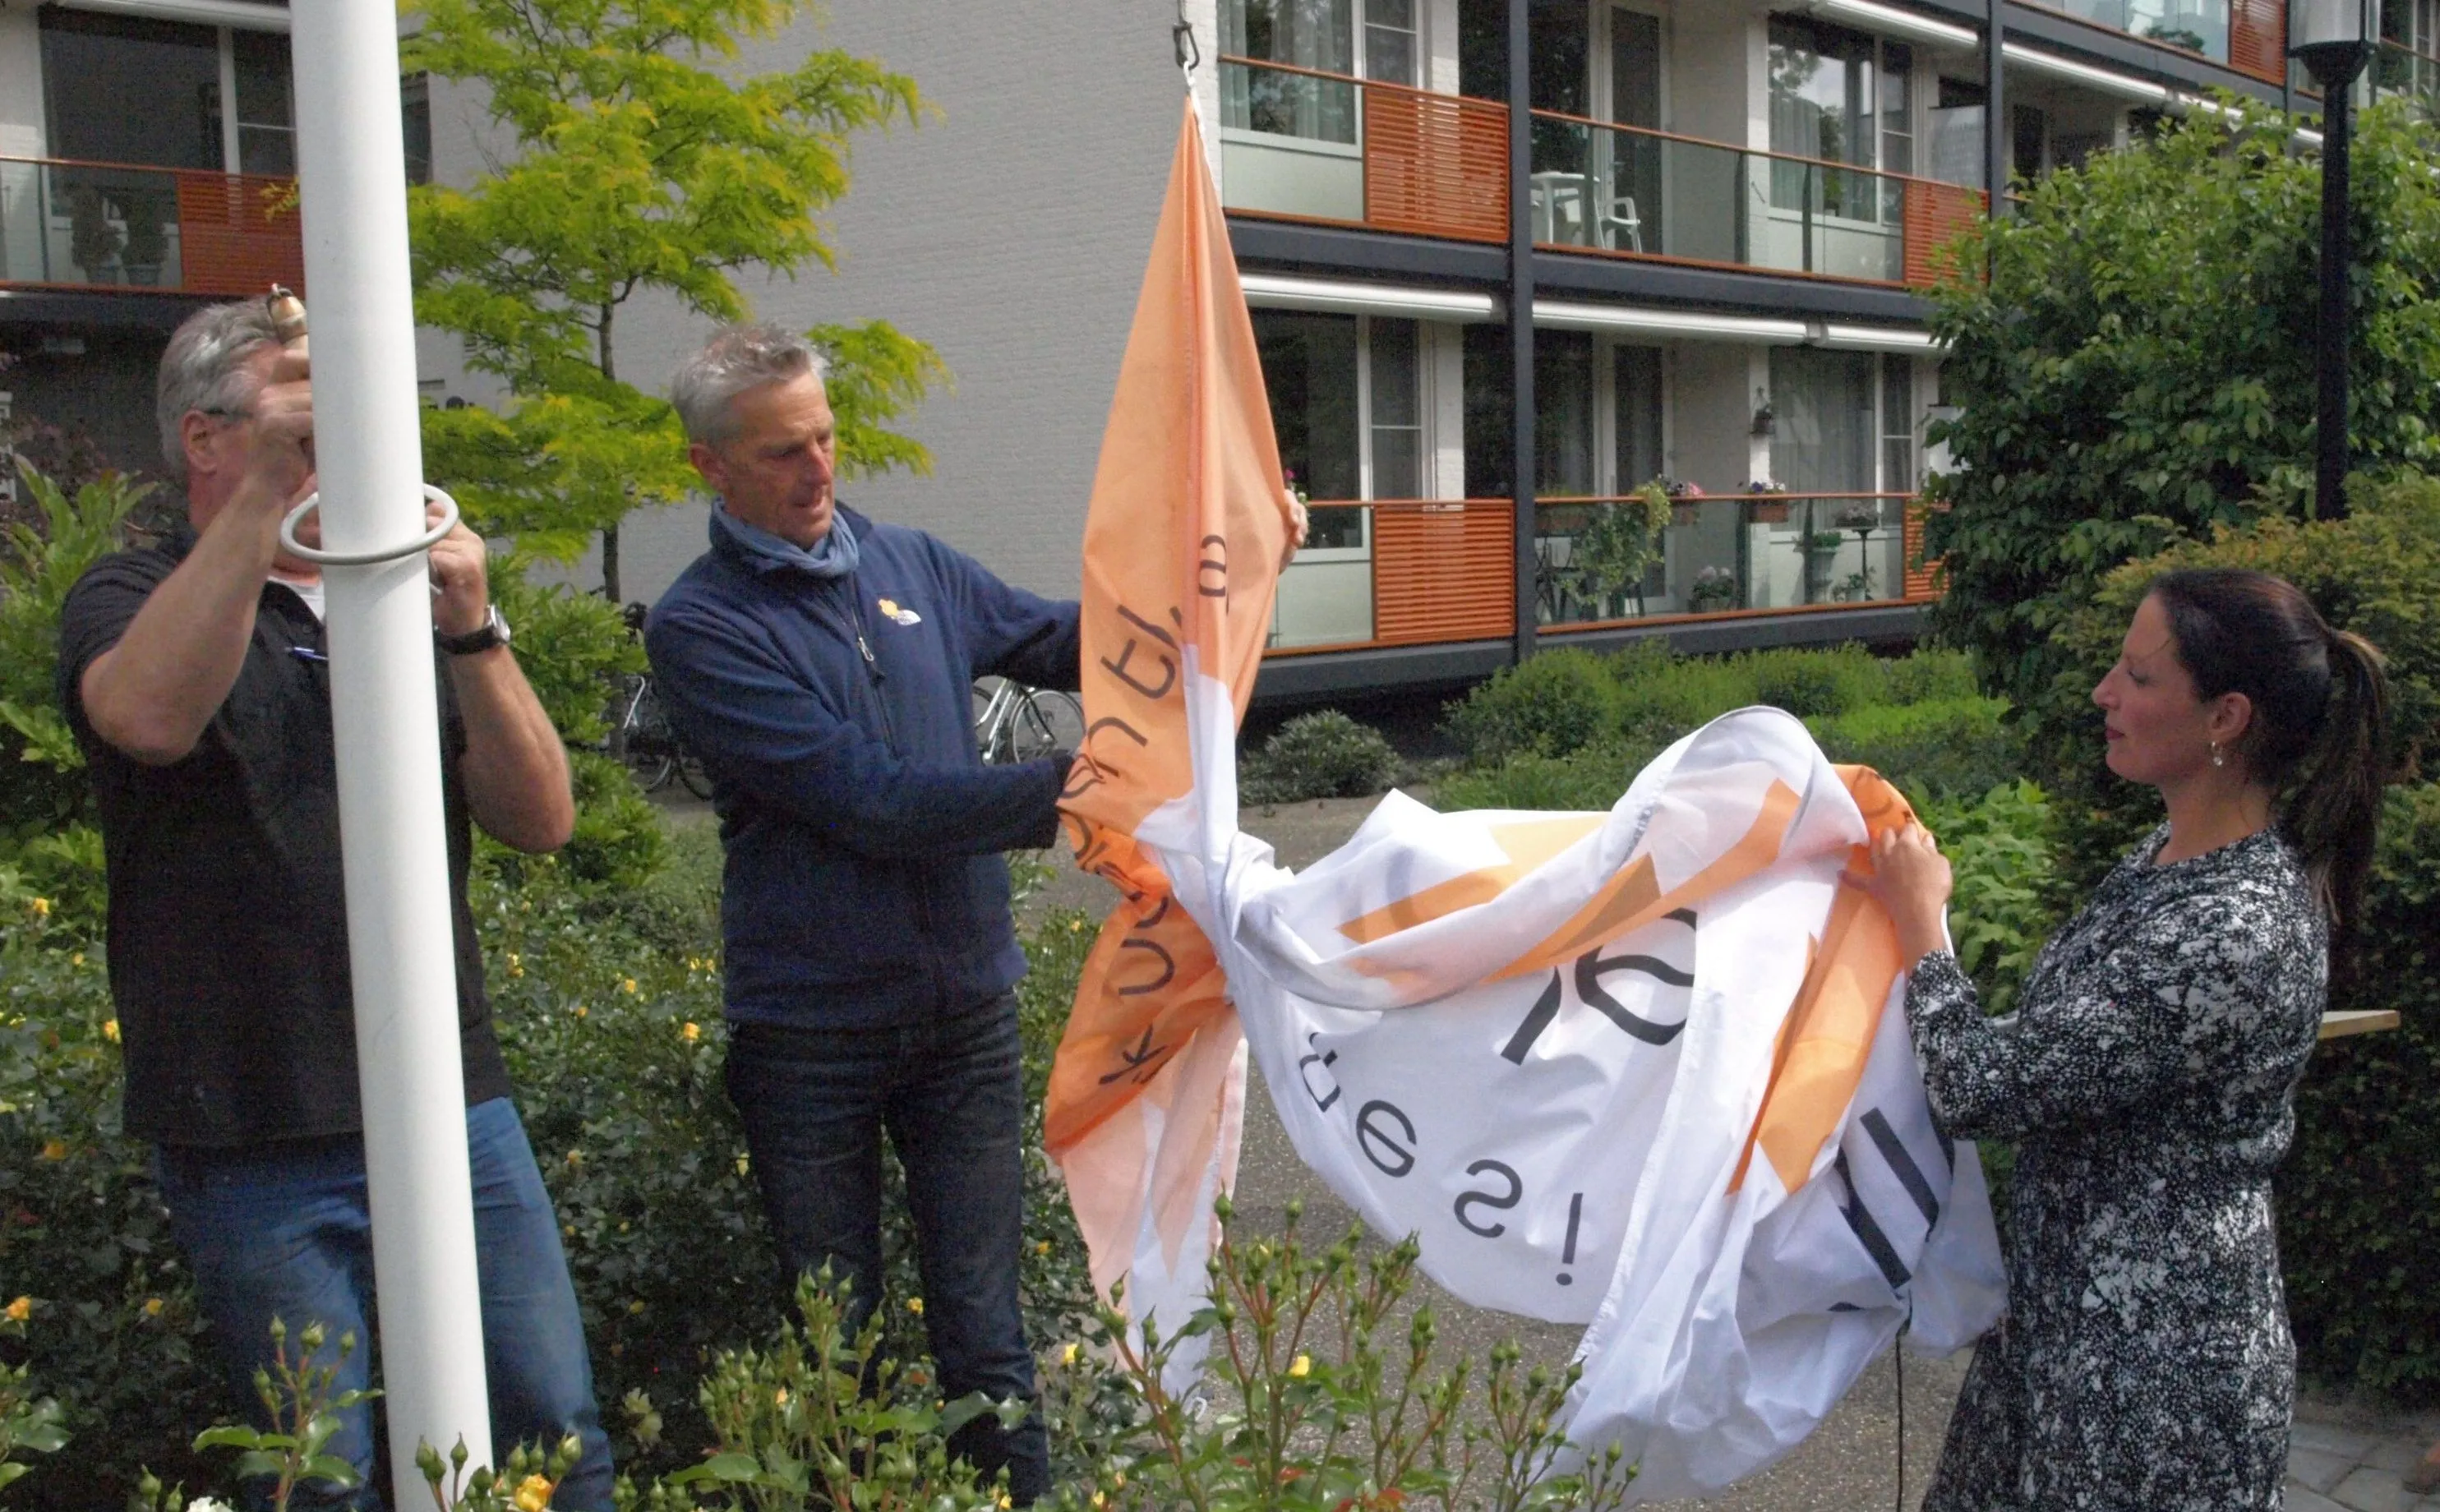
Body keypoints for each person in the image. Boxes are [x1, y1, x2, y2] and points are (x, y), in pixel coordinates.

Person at [645, 324, 1298, 1503]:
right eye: (785, 451)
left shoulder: (910, 567)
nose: (819, 468)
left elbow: (1069, 642)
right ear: (711, 467)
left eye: (826, 437)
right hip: (812, 1037)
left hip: (962, 1021)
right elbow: (870, 802)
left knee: (985, 1338)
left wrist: (1232, 575)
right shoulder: (701, 629)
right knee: (837, 1346)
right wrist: (1089, 789)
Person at [58, 300, 612, 1510]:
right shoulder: (131, 591)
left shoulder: (398, 589)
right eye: (301, 407)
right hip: (255, 1119)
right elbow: (148, 718)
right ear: (206, 440)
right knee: (323, 1478)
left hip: (453, 1103)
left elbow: (543, 818)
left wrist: (473, 627)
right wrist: (267, 497)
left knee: (552, 1435)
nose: (345, 432)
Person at [1867, 569, 2390, 1510]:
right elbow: (2055, 1058)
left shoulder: (2231, 926)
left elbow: (1982, 1087)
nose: (2104, 693)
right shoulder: (2164, 864)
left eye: (2137, 677)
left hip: (2151, 1371)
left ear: (2224, 717)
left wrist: (1917, 924)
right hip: (2066, 1329)